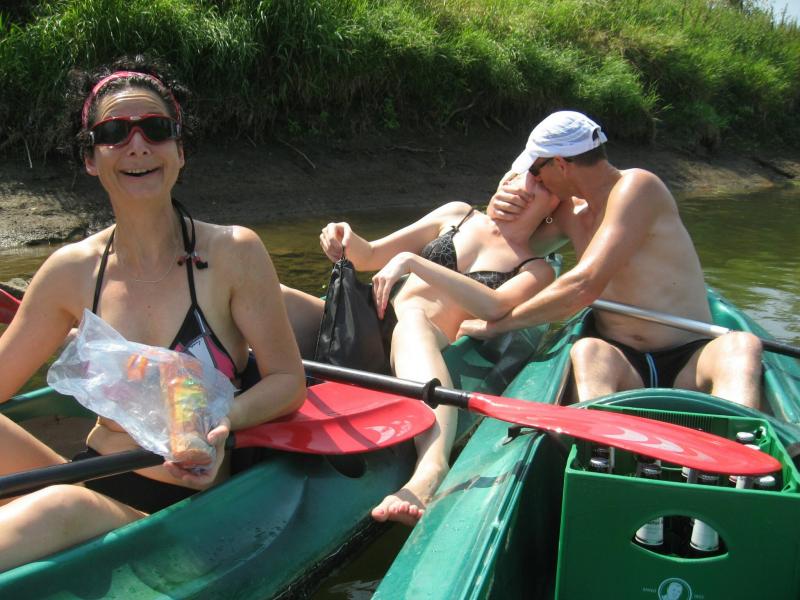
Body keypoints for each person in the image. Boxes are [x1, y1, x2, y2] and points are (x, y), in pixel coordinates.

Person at [0, 56, 306, 572]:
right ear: (91, 158)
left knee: (60, 507)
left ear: (179, 151)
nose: (137, 145)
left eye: (156, 130)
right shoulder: (70, 272)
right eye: (114, 132)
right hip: (90, 477)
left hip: (179, 509)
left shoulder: (233, 253)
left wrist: (225, 418)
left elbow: (287, 380)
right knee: (65, 500)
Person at [282, 183, 558, 525]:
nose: (518, 186)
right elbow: (368, 255)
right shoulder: (458, 214)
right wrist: (342, 238)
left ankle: (431, 467)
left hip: (424, 336)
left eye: (538, 184)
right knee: (277, 296)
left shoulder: (537, 269)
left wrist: (413, 263)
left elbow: (494, 306)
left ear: (555, 204)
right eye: (515, 175)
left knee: (411, 320)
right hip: (368, 321)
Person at [459, 110, 763, 408]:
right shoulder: (567, 212)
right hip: (622, 361)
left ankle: (739, 434)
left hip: (691, 356)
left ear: (560, 164)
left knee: (742, 344)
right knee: (587, 351)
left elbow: (584, 285)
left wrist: (500, 325)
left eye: (536, 172)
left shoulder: (639, 186)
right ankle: (597, 439)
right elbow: (509, 250)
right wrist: (498, 206)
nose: (535, 179)